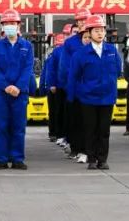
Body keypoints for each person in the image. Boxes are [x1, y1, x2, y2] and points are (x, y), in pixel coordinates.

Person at [66, 15, 122, 170]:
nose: (100, 33)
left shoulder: (111, 50)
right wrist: (74, 95)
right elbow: (74, 76)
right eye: (96, 30)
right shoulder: (81, 54)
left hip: (107, 97)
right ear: (89, 32)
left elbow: (118, 71)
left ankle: (102, 159)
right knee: (90, 129)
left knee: (104, 130)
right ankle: (91, 158)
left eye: (102, 30)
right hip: (88, 98)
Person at [0, 9, 36, 170]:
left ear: (18, 25)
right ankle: (2, 159)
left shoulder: (27, 46)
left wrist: (18, 87)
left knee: (18, 127)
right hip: (1, 93)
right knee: (1, 127)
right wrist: (6, 86)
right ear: (2, 26)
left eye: (12, 23)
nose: (9, 26)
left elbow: (28, 68)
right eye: (6, 23)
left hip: (20, 93)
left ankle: (17, 159)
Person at [59, 9, 92, 162]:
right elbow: (65, 66)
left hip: (91, 88)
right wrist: (69, 85)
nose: (83, 23)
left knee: (89, 121)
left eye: (85, 19)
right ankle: (75, 148)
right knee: (74, 120)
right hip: (74, 87)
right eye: (80, 20)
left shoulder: (97, 40)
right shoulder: (70, 43)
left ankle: (88, 150)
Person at [43, 33, 65, 143]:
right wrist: (51, 84)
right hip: (55, 86)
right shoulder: (53, 55)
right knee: (54, 111)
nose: (58, 47)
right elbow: (49, 72)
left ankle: (56, 133)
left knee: (57, 111)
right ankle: (53, 132)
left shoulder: (59, 54)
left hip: (59, 85)